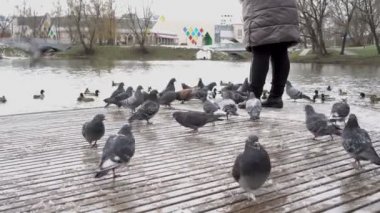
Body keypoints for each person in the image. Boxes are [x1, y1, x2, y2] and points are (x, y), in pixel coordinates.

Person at [241, 0, 301, 108]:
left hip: (261, 9)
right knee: (281, 49)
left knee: (260, 49)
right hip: (285, 8)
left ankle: (253, 98)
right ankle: (276, 97)